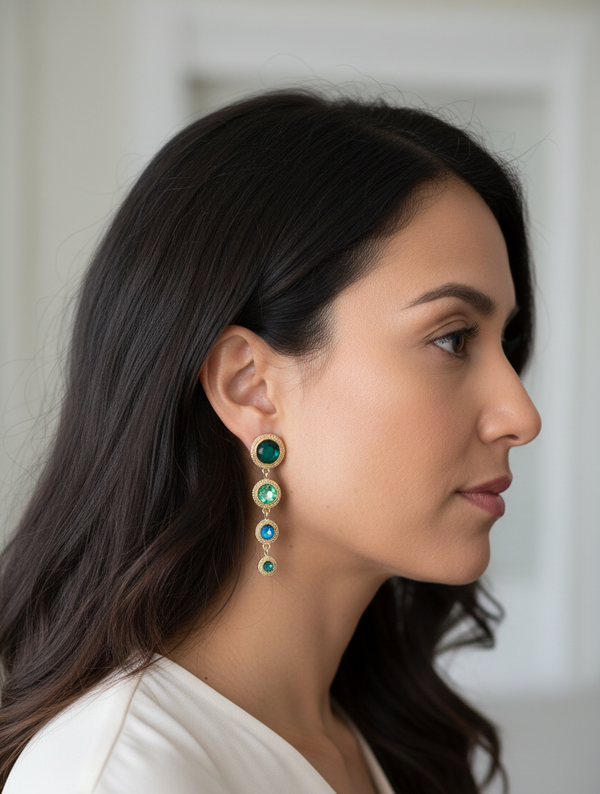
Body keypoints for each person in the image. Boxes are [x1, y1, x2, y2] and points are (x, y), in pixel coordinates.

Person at [0, 88, 541, 794]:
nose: (520, 415)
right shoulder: (126, 774)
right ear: (251, 385)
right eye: (451, 338)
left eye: (507, 341)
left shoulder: (378, 738)